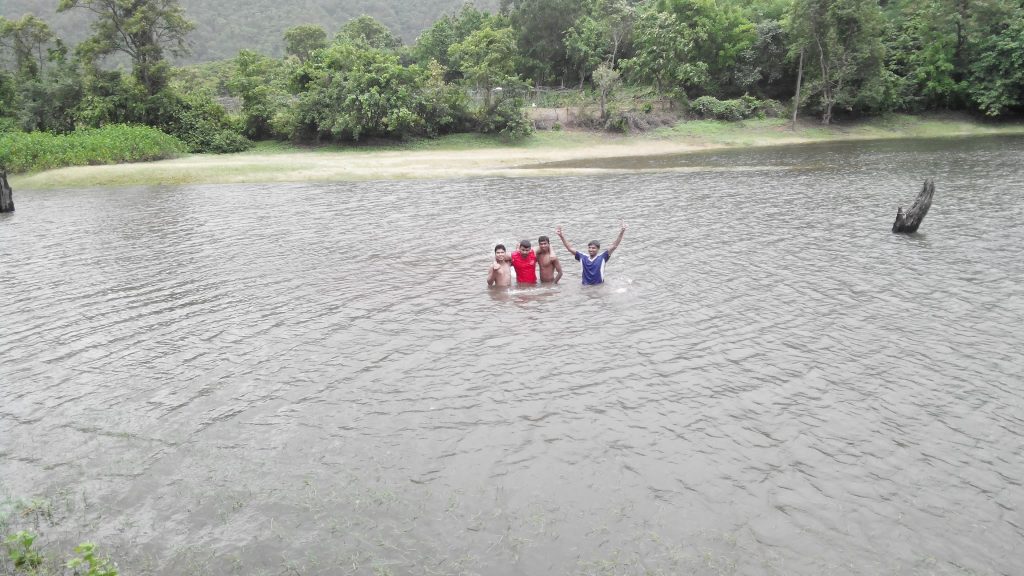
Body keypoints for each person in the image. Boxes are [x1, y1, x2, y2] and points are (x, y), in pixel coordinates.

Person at [556, 222, 627, 285]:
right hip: (585, 286)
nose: (591, 250)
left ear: (598, 249)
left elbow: (614, 245)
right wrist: (561, 236)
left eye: (593, 248)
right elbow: (570, 248)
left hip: (599, 286)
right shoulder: (583, 257)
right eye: (589, 248)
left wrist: (622, 232)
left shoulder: (602, 257)